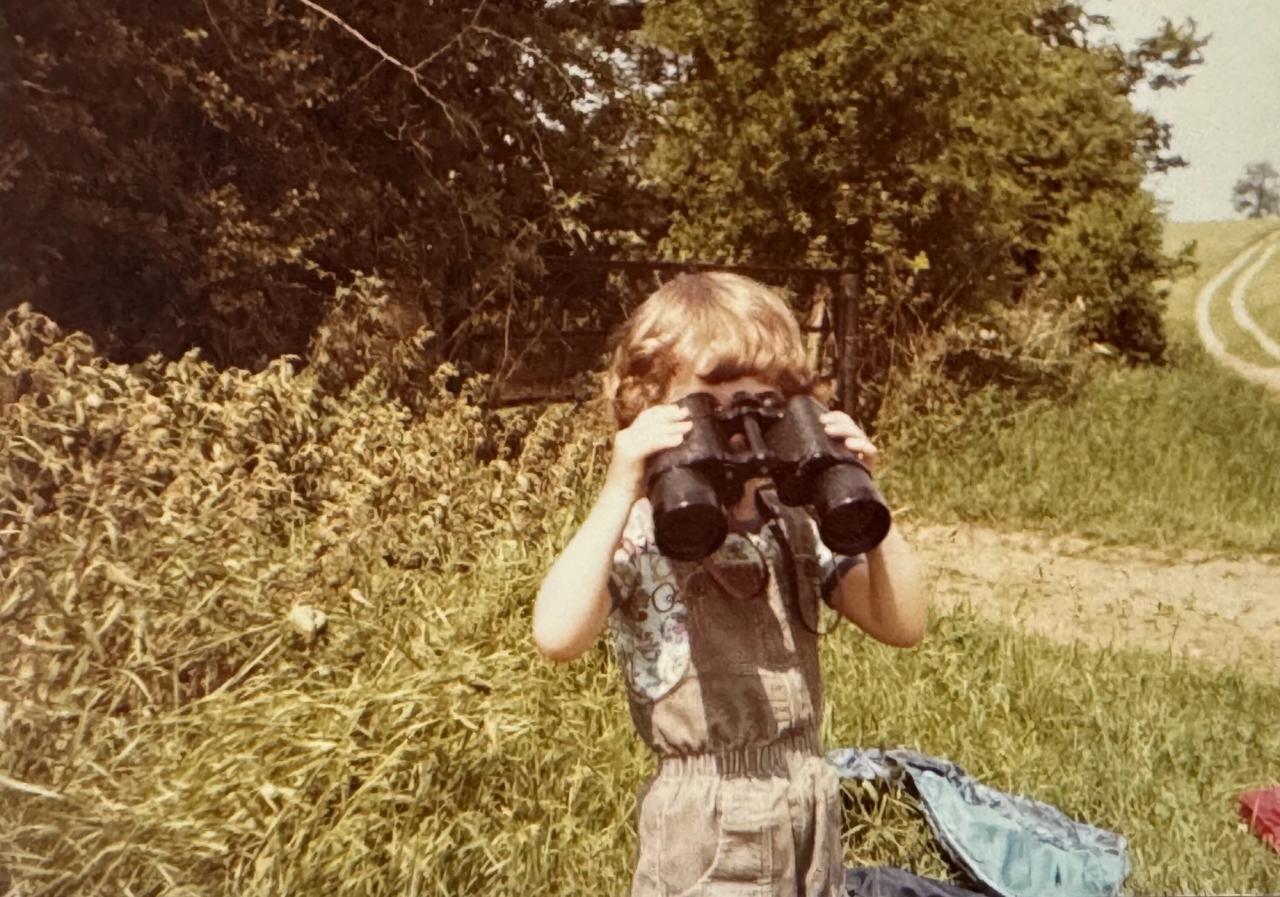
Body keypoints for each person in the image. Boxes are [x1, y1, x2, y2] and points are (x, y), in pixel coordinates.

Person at [533, 271, 927, 897]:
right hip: (708, 818)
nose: (741, 423)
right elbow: (556, 636)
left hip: (810, 802)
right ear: (652, 408)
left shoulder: (794, 523)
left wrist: (863, 496)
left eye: (765, 402)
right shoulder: (641, 530)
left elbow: (903, 626)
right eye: (711, 401)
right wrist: (622, 488)